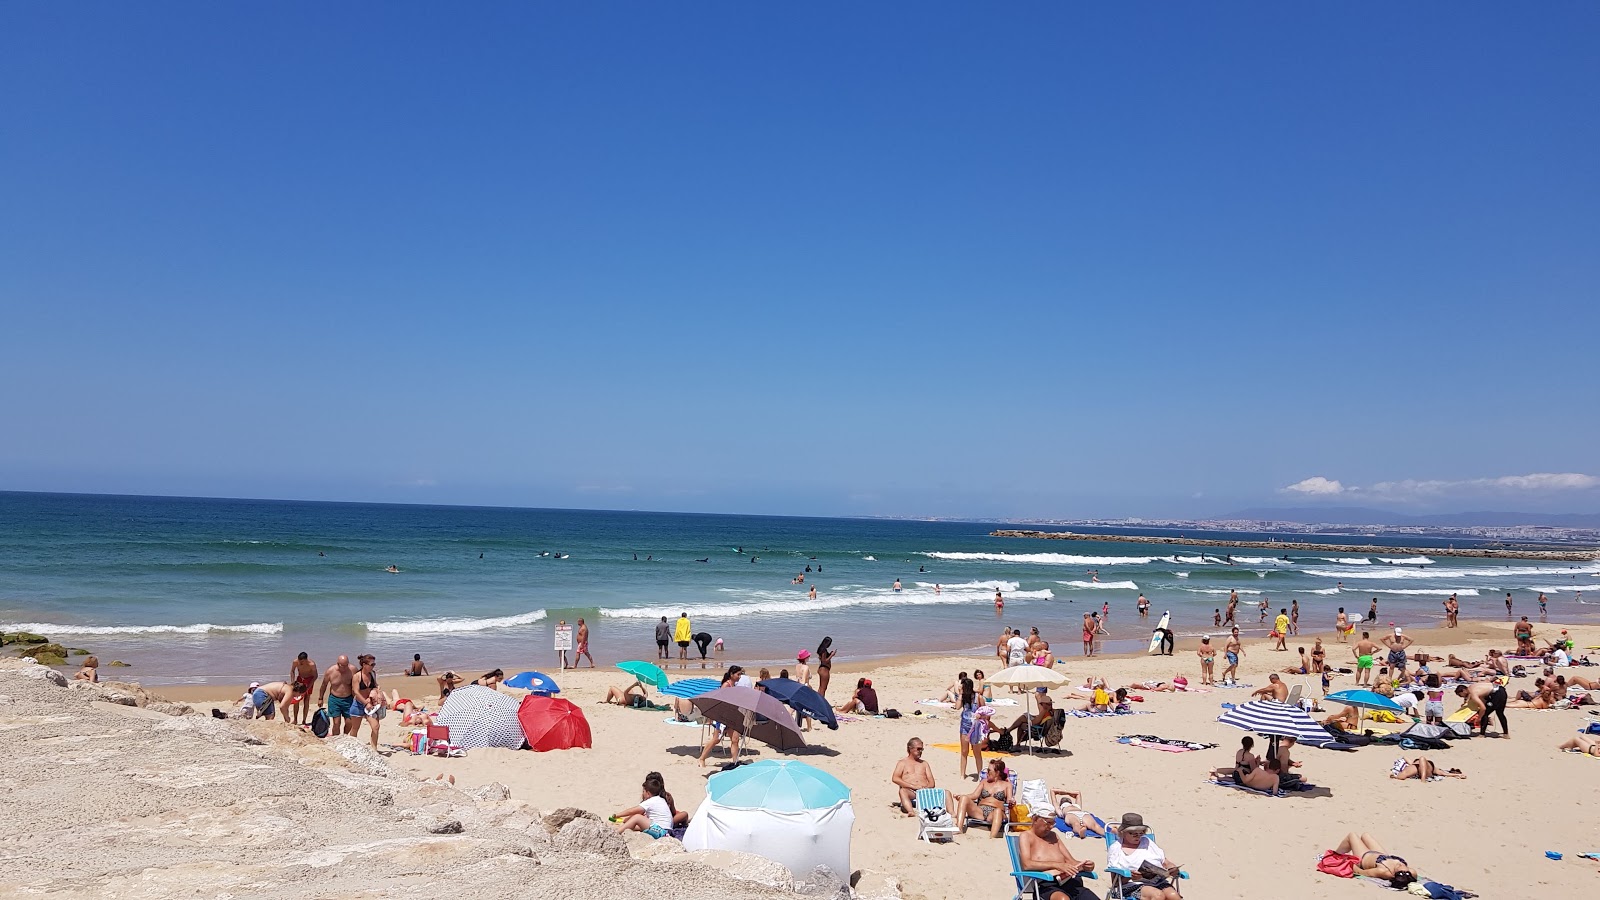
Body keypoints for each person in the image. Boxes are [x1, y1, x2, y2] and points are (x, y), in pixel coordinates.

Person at [1018, 807, 1097, 900]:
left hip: (1070, 882)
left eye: (1053, 823)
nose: (1051, 827)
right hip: (1046, 885)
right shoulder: (1026, 836)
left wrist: (1085, 866)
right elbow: (1027, 864)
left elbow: (1071, 861)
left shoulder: (1054, 836)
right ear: (1035, 819)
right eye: (1048, 823)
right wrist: (1057, 865)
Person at [1106, 813, 1183, 900]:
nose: (1138, 836)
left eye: (1141, 833)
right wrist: (1130, 877)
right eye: (1133, 833)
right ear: (1123, 832)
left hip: (1157, 882)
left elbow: (1165, 862)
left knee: (1173, 896)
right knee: (1158, 896)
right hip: (1130, 886)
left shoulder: (1148, 842)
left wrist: (1172, 868)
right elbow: (1115, 881)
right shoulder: (1116, 848)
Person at [1332, 833, 1418, 890]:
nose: (1400, 864)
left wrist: (1350, 864)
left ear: (1393, 874)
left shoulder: (1383, 871)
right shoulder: (1411, 873)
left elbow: (1362, 872)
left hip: (1364, 857)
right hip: (1382, 856)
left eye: (1398, 867)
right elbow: (1410, 876)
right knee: (1365, 835)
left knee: (1352, 836)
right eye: (1402, 865)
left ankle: (1335, 855)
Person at [956, 759, 1012, 838]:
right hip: (980, 811)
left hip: (995, 813)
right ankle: (959, 828)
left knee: (998, 811)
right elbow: (974, 795)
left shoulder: (1007, 785)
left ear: (997, 773)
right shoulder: (984, 782)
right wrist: (961, 796)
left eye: (989, 770)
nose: (987, 772)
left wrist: (1011, 802)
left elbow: (1010, 799)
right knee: (964, 798)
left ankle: (992, 838)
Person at [611, 773, 675, 838]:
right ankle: (620, 829)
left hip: (661, 831)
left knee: (637, 817)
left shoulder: (652, 801)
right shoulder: (661, 800)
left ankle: (615, 834)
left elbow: (632, 811)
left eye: (643, 791)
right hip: (666, 832)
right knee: (635, 825)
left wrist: (617, 815)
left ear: (648, 793)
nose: (642, 793)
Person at [891, 737, 936, 818]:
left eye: (922, 749)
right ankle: (911, 811)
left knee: (946, 793)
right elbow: (895, 778)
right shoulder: (902, 763)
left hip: (924, 792)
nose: (920, 751)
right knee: (903, 791)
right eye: (918, 749)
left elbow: (932, 782)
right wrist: (913, 786)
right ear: (910, 749)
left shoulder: (924, 763)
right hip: (911, 792)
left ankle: (952, 813)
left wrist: (925, 788)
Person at [317, 654, 356, 737]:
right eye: (343, 666)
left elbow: (359, 682)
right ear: (338, 664)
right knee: (336, 723)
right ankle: (336, 738)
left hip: (348, 699)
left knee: (350, 722)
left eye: (347, 665)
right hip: (334, 699)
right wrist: (320, 698)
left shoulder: (352, 670)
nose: (345, 667)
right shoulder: (330, 671)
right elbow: (324, 685)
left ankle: (344, 736)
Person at [345, 654, 380, 742]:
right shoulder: (357, 676)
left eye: (374, 664)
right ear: (364, 665)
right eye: (371, 665)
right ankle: (353, 746)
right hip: (359, 704)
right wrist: (365, 703)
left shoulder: (372, 674)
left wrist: (375, 692)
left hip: (370, 704)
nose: (373, 667)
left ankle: (374, 749)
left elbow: (376, 685)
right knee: (355, 728)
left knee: (375, 726)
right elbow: (356, 692)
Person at [957, 680, 987, 780]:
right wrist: (960, 694)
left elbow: (986, 712)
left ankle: (980, 774)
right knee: (964, 751)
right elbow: (957, 707)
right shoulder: (964, 698)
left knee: (976, 752)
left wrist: (980, 716)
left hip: (976, 728)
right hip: (964, 727)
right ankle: (962, 774)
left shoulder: (978, 697)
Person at [1389, 756, 1465, 781]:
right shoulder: (1414, 764)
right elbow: (1444, 773)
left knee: (1422, 758)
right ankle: (1423, 777)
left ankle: (1423, 779)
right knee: (1403, 774)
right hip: (1421, 769)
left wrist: (1455, 775)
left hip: (1422, 769)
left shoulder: (1434, 768)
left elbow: (1444, 773)